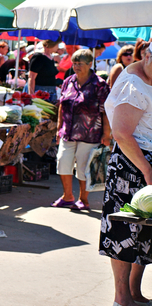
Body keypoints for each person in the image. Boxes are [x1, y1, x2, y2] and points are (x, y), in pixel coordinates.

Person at [98, 47, 152, 306]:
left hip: (143, 164)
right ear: (149, 55)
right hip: (132, 166)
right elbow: (121, 132)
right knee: (123, 234)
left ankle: (134, 293)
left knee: (143, 235)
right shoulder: (134, 84)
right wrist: (146, 168)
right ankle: (122, 299)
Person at [52, 49, 111, 211]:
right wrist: (59, 128)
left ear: (90, 64)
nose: (76, 67)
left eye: (80, 64)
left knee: (84, 167)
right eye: (75, 63)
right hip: (68, 131)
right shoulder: (68, 81)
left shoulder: (99, 84)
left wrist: (107, 134)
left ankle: (83, 200)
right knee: (63, 161)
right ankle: (67, 196)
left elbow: (105, 111)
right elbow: (62, 106)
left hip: (90, 132)